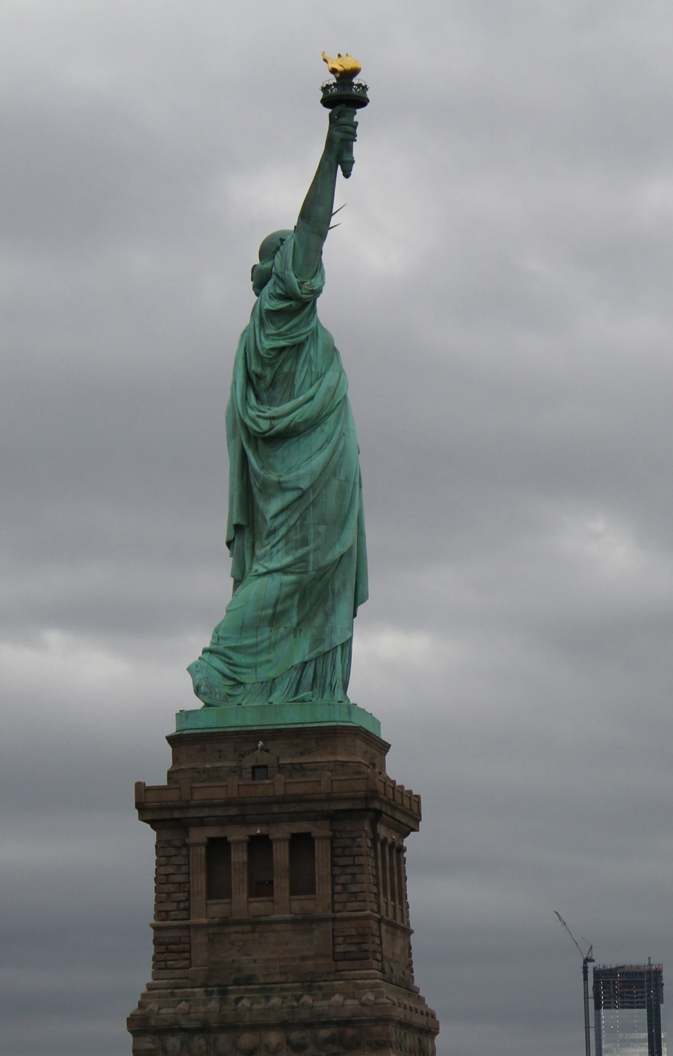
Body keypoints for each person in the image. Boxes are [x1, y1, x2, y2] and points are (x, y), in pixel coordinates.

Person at [188, 105, 367, 706]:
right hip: (300, 478)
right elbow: (312, 227)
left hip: (322, 469)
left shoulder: (278, 332)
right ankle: (224, 665)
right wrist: (332, 147)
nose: (309, 261)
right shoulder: (276, 318)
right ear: (281, 273)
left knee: (316, 576)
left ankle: (301, 690)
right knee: (288, 570)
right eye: (296, 256)